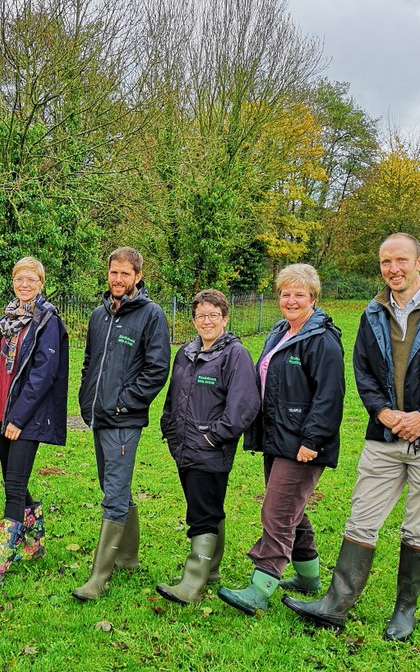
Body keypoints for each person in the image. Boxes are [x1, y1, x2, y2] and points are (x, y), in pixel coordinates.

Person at [283, 233, 420, 641]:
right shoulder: (373, 312)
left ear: (419, 262)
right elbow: (363, 371)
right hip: (385, 435)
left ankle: (404, 611)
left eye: (401, 260)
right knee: (362, 518)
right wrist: (382, 410)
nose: (394, 268)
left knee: (419, 527)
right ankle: (335, 605)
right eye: (386, 262)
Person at [218, 264, 345, 615]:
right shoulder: (281, 331)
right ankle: (308, 576)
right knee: (292, 509)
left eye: (299, 294)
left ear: (313, 298)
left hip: (303, 443)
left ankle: (261, 586)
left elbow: (329, 396)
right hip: (277, 437)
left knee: (277, 512)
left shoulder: (322, 340)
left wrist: (312, 440)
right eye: (285, 294)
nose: (291, 300)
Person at [0, 257, 69, 591]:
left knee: (14, 487)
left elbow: (42, 375)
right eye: (19, 279)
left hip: (28, 417)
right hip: (6, 412)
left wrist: (18, 418)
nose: (24, 284)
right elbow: (0, 372)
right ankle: (34, 544)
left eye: (31, 279)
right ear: (13, 282)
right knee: (12, 478)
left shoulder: (47, 321)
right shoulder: (8, 320)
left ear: (41, 282)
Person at [72, 247, 171, 602]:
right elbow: (89, 362)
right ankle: (128, 557)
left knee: (113, 494)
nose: (118, 279)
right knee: (112, 484)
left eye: (125, 274)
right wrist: (88, 400)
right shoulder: (99, 315)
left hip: (124, 420)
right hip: (98, 417)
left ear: (137, 277)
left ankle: (99, 576)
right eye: (114, 272)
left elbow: (157, 369)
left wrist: (123, 402)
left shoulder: (151, 315)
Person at [157, 289, 260, 605]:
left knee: (202, 513)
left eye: (214, 315)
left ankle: (193, 584)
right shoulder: (185, 353)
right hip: (185, 446)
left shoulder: (234, 355)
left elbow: (245, 404)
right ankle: (209, 571)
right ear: (193, 319)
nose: (207, 321)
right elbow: (173, 397)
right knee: (207, 507)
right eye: (201, 315)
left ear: (225, 319)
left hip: (210, 448)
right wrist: (170, 429)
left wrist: (213, 436)